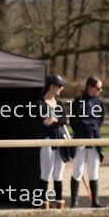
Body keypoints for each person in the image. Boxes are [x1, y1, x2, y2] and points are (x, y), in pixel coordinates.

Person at [69, 76, 106, 208]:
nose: (100, 90)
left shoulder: (99, 102)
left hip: (94, 137)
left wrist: (93, 129)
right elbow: (73, 120)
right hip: (81, 137)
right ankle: (74, 201)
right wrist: (80, 130)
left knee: (93, 170)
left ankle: (95, 201)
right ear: (90, 87)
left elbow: (101, 119)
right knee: (77, 170)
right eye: (98, 88)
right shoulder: (78, 101)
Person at [39, 74, 69, 209]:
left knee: (59, 172)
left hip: (60, 140)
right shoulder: (40, 103)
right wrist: (57, 120)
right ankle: (43, 202)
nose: (61, 88)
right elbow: (45, 122)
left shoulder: (60, 104)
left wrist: (55, 119)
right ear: (52, 86)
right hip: (47, 140)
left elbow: (64, 120)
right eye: (59, 86)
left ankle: (59, 200)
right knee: (46, 171)